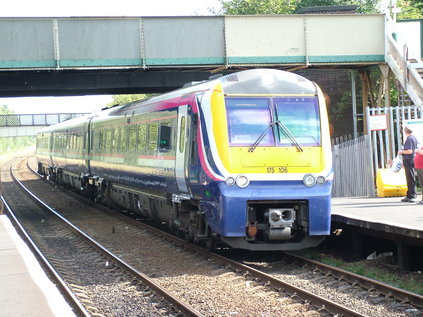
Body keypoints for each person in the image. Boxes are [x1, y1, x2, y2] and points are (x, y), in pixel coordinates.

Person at [398, 126, 418, 202]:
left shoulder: (409, 139)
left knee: (410, 178)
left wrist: (401, 152)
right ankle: (410, 194)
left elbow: (409, 151)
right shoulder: (414, 138)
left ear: (405, 131)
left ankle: (412, 195)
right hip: (411, 160)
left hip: (409, 160)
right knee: (410, 177)